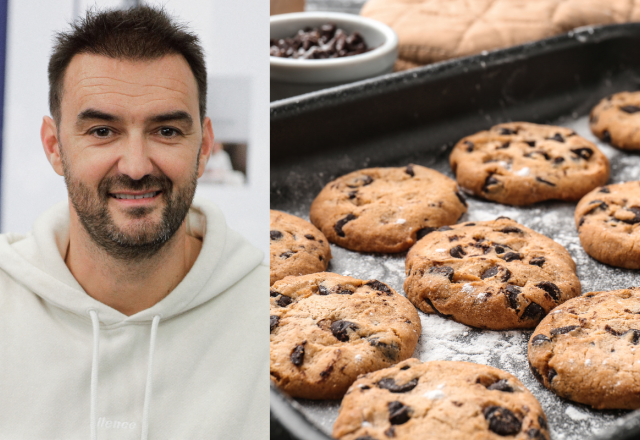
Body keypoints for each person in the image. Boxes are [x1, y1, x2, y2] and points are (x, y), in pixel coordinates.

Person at [0, 6, 267, 440]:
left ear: (204, 147)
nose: (137, 166)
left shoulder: (268, 311)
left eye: (166, 131)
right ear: (53, 146)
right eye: (103, 131)